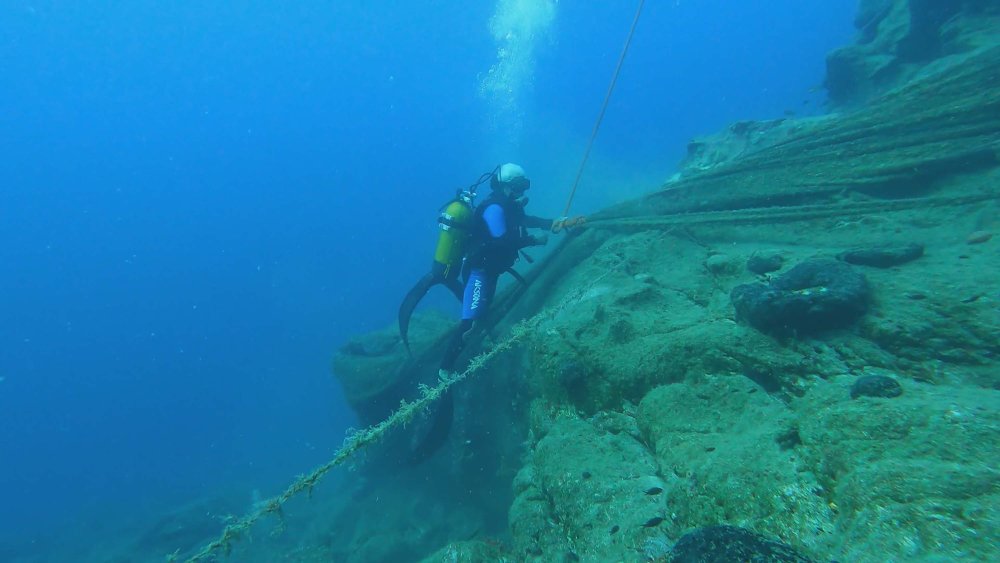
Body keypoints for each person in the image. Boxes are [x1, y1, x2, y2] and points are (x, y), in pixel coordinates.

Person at [438, 162, 554, 378]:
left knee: (483, 312)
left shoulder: (509, 206)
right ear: (505, 185)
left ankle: (474, 348)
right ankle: (444, 370)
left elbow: (524, 220)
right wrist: (533, 240)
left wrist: (553, 223)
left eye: (525, 185)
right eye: (519, 185)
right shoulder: (494, 208)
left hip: (491, 270)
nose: (523, 190)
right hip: (479, 271)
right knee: (470, 321)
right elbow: (502, 241)